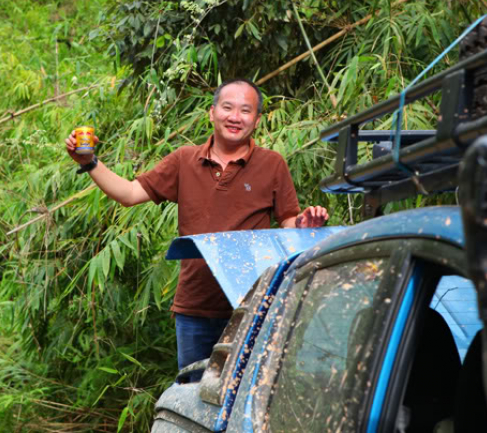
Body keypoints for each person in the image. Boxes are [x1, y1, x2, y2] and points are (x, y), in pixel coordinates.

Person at [65, 78, 328, 378]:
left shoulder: (272, 164)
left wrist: (306, 224)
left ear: (256, 120)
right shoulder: (184, 160)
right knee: (192, 397)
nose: (235, 116)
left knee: (248, 392)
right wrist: (89, 163)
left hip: (253, 305)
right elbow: (129, 194)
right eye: (227, 107)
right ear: (212, 112)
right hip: (195, 309)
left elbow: (288, 223)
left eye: (245, 110)